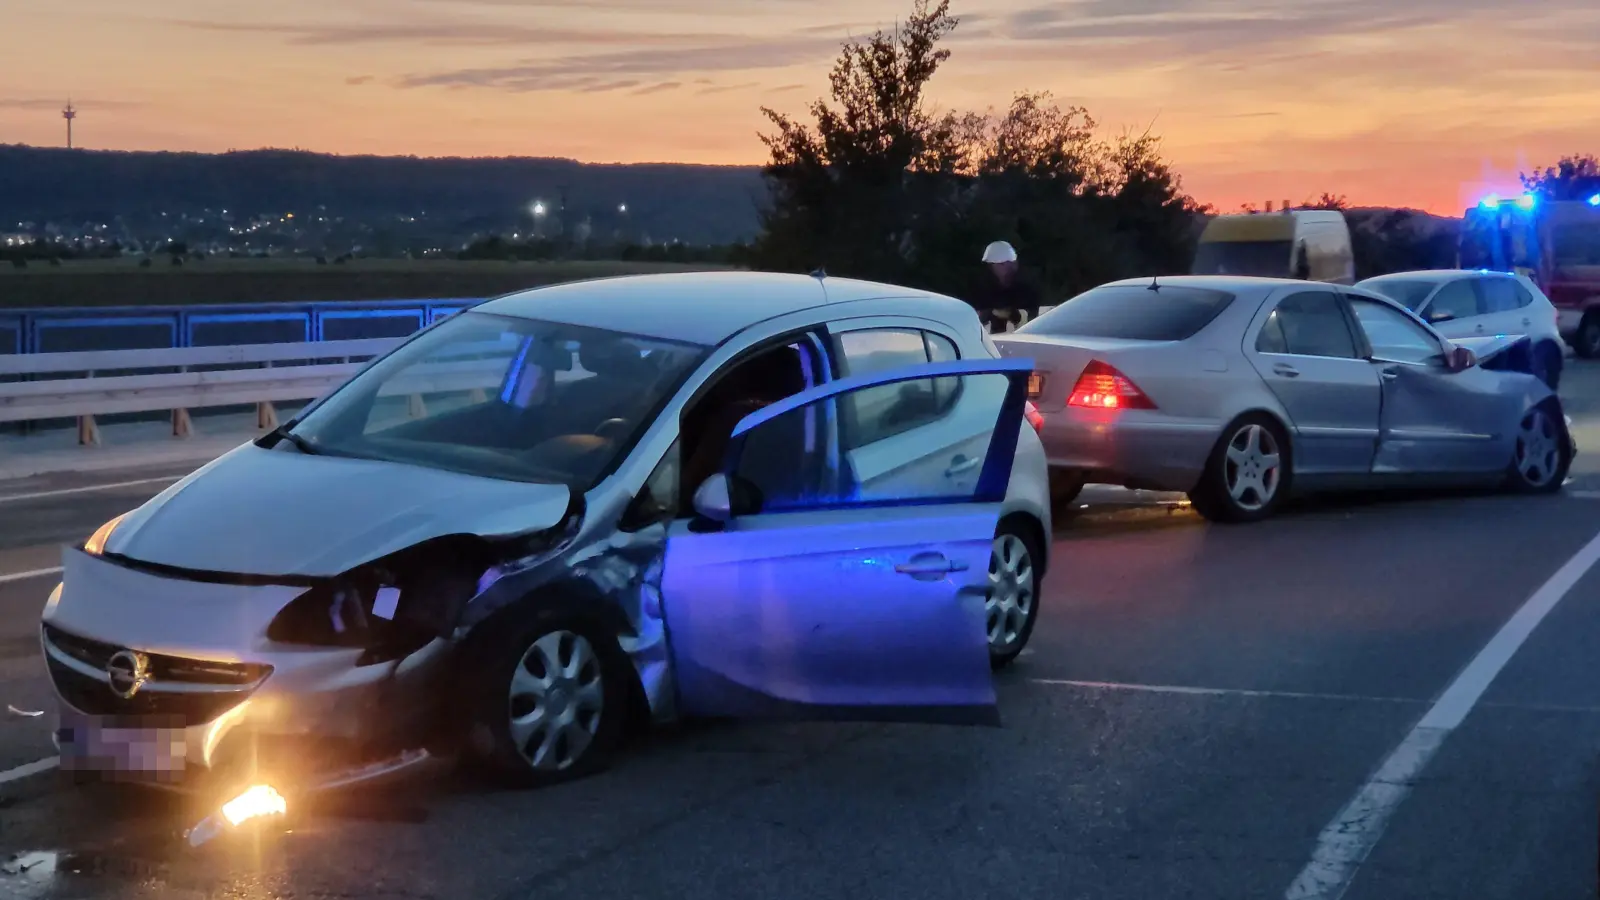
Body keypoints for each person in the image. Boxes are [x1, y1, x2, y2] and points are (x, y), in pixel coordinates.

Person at [974, 241, 1043, 334]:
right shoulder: (988, 286)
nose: (1007, 267)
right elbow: (978, 317)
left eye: (1008, 263)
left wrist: (1012, 314)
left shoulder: (1026, 288)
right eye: (995, 264)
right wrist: (991, 312)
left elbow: (1031, 320)